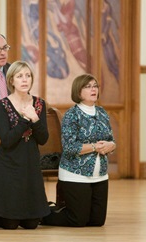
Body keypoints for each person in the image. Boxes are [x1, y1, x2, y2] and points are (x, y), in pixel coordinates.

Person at [41, 73, 116, 227]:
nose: (93, 89)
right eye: (87, 87)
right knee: (78, 220)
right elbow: (69, 147)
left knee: (97, 222)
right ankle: (41, 214)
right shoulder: (71, 115)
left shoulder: (102, 113)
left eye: (95, 86)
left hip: (100, 175)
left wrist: (111, 146)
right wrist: (95, 147)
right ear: (78, 91)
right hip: (75, 174)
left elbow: (111, 140)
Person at [0, 61, 50, 229]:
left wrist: (35, 119)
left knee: (32, 224)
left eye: (28, 75)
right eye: (19, 76)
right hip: (8, 165)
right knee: (10, 224)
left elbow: (43, 139)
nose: (25, 80)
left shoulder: (39, 104)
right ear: (11, 81)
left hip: (30, 165)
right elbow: (7, 141)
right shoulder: (2, 105)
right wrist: (24, 120)